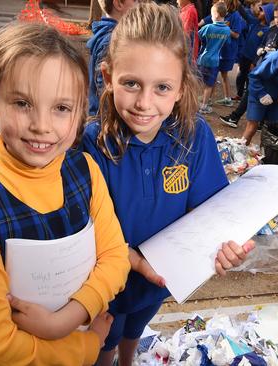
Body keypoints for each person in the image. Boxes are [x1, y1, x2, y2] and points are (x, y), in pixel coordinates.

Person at [0, 23, 131, 365]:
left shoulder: (86, 170)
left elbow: (116, 258)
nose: (41, 125)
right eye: (22, 103)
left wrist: (67, 318)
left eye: (61, 108)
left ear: (79, 113)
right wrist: (87, 347)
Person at [81, 3, 255, 365]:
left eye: (162, 87)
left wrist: (227, 247)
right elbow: (81, 227)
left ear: (180, 89)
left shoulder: (195, 137)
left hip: (156, 284)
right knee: (103, 344)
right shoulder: (91, 144)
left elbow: (213, 214)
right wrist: (125, 259)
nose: (145, 103)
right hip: (100, 287)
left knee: (134, 332)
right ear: (107, 76)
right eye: (131, 84)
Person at [220, 0, 278, 128]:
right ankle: (236, 117)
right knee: (251, 91)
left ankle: (259, 123)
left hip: (276, 73)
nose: (277, 20)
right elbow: (262, 43)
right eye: (275, 17)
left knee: (268, 99)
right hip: (263, 68)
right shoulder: (272, 29)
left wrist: (277, 54)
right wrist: (259, 53)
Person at [87, 0, 138, 116]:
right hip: (105, 119)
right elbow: (104, 88)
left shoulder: (108, 34)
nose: (139, 4)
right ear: (118, 3)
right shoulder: (111, 39)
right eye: (136, 0)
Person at [233, 0, 272, 101]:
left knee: (249, 78)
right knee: (241, 75)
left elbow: (262, 47)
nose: (259, 12)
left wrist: (255, 62)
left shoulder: (267, 30)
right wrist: (238, 4)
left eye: (262, 11)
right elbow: (245, 14)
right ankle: (239, 94)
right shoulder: (255, 21)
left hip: (252, 59)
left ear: (267, 16)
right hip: (245, 55)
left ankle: (248, 97)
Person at [197, 1, 231, 114]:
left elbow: (198, 36)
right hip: (215, 61)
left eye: (211, 15)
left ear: (216, 15)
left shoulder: (208, 27)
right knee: (209, 85)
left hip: (203, 58)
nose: (211, 17)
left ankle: (193, 103)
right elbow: (227, 43)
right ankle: (204, 106)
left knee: (198, 82)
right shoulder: (226, 30)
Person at [179, 0, 200, 65]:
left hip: (187, 49)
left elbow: (186, 33)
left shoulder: (190, 11)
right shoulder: (185, 10)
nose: (176, 1)